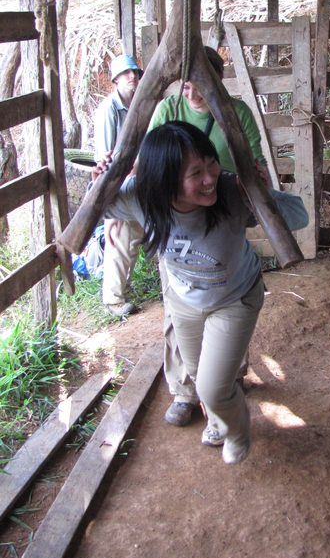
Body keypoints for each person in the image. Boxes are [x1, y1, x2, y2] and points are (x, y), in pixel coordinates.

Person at [93, 121, 308, 464]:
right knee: (197, 376)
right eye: (196, 173)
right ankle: (221, 420)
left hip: (235, 298)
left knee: (213, 387)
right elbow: (99, 208)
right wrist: (105, 178)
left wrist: (261, 193)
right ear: (164, 182)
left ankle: (238, 430)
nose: (210, 178)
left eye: (211, 164)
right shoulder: (142, 198)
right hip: (183, 301)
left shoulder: (230, 191)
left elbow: (300, 216)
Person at [149, 46, 268, 427]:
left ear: (216, 80)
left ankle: (229, 375)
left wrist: (252, 182)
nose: (189, 92)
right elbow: (149, 162)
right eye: (183, 85)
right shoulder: (169, 111)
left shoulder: (236, 113)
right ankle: (186, 390)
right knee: (178, 308)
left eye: (197, 85)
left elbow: (255, 165)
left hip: (220, 220)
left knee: (229, 299)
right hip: (177, 226)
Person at [93, 53, 145, 317]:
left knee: (133, 236)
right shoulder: (109, 110)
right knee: (120, 236)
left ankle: (122, 289)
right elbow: (106, 161)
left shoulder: (139, 107)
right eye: (126, 73)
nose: (132, 76)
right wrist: (110, 206)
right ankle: (112, 300)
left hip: (138, 179)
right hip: (118, 182)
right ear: (115, 79)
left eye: (135, 72)